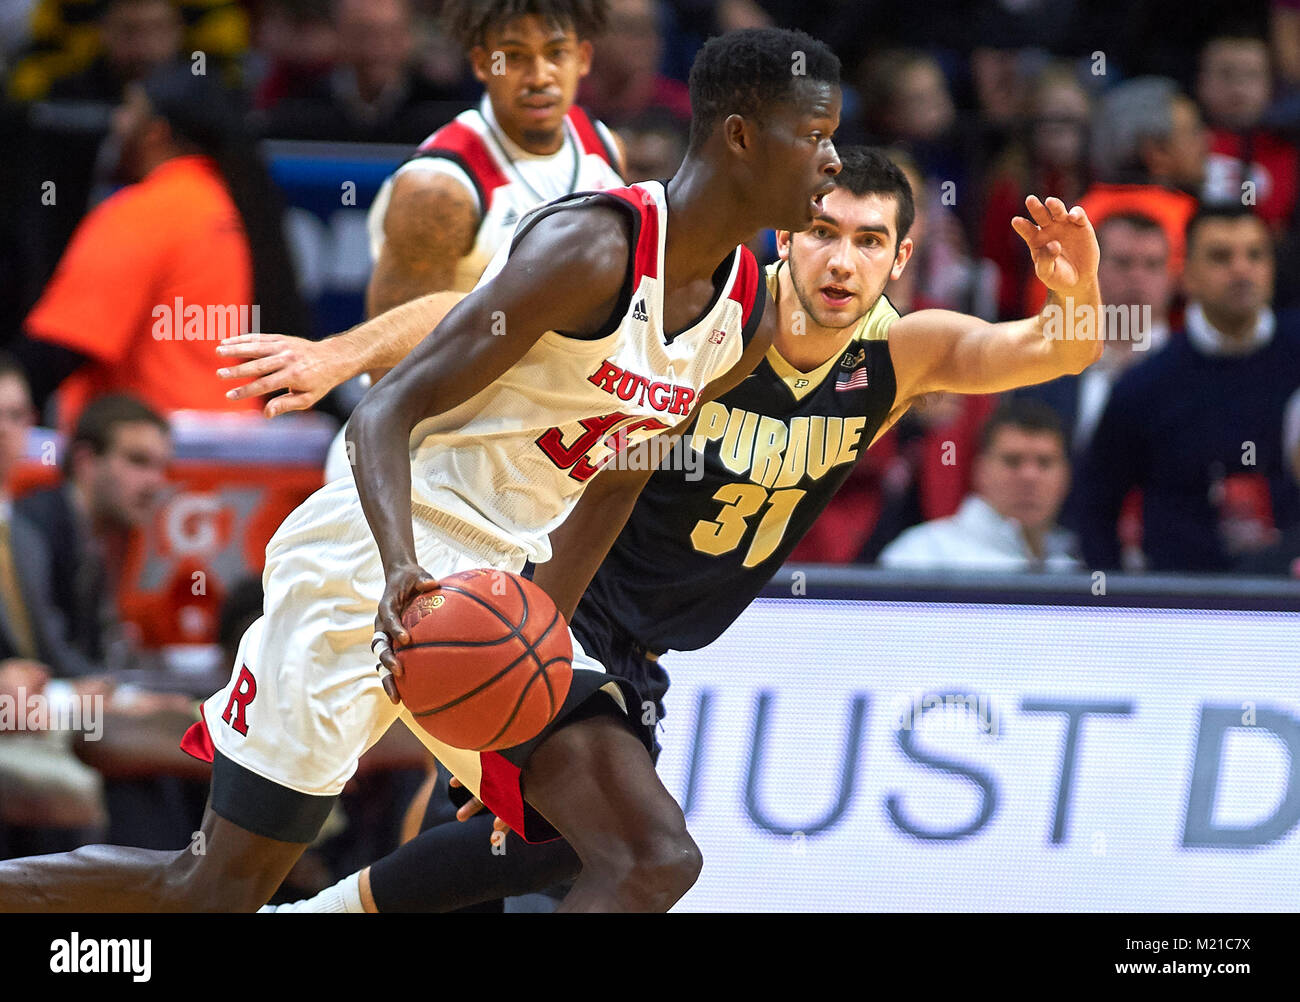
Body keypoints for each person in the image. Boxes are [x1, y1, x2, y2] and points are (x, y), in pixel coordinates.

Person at [0, 25, 843, 914]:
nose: (830, 162)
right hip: (371, 555)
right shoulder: (594, 249)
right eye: (816, 135)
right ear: (742, 136)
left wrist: (543, 640)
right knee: (208, 892)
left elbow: (620, 477)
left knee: (644, 855)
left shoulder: (744, 316)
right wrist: (403, 569)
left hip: (500, 585)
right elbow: (384, 412)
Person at [218, 146, 1103, 911]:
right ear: (788, 232)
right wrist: (345, 351)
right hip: (564, 585)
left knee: (554, 842)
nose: (842, 261)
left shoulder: (901, 353)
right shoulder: (728, 310)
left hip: (650, 637)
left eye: (869, 241)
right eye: (825, 233)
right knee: (599, 845)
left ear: (902, 255)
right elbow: (487, 301)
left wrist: (1077, 292)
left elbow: (1058, 348)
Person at [316, 0, 625, 482]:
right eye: (515, 56)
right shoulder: (439, 189)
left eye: (556, 53)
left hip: (525, 457)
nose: (539, 75)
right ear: (482, 63)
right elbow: (391, 372)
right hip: (421, 456)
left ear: (583, 58)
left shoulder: (602, 146)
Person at [16, 63, 306, 432]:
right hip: (237, 448)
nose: (116, 123)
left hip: (155, 448)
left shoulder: (148, 210)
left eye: (127, 110)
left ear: (156, 133)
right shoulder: (225, 203)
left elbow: (60, 347)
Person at [1078, 203, 1300, 571]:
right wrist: (1120, 606)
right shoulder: (1144, 386)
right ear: (1186, 274)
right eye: (1220, 257)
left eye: (1255, 255)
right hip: (1182, 607)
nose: (1242, 269)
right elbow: (1096, 508)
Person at [15, 394, 171, 669]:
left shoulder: (99, 537)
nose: (155, 482)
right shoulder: (31, 530)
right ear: (85, 461)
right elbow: (50, 657)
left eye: (161, 467)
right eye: (138, 461)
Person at [878, 401, 1078, 570]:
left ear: (1065, 475)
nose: (1029, 476)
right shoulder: (922, 556)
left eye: (1044, 462)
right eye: (1012, 461)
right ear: (980, 471)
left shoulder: (1071, 568)